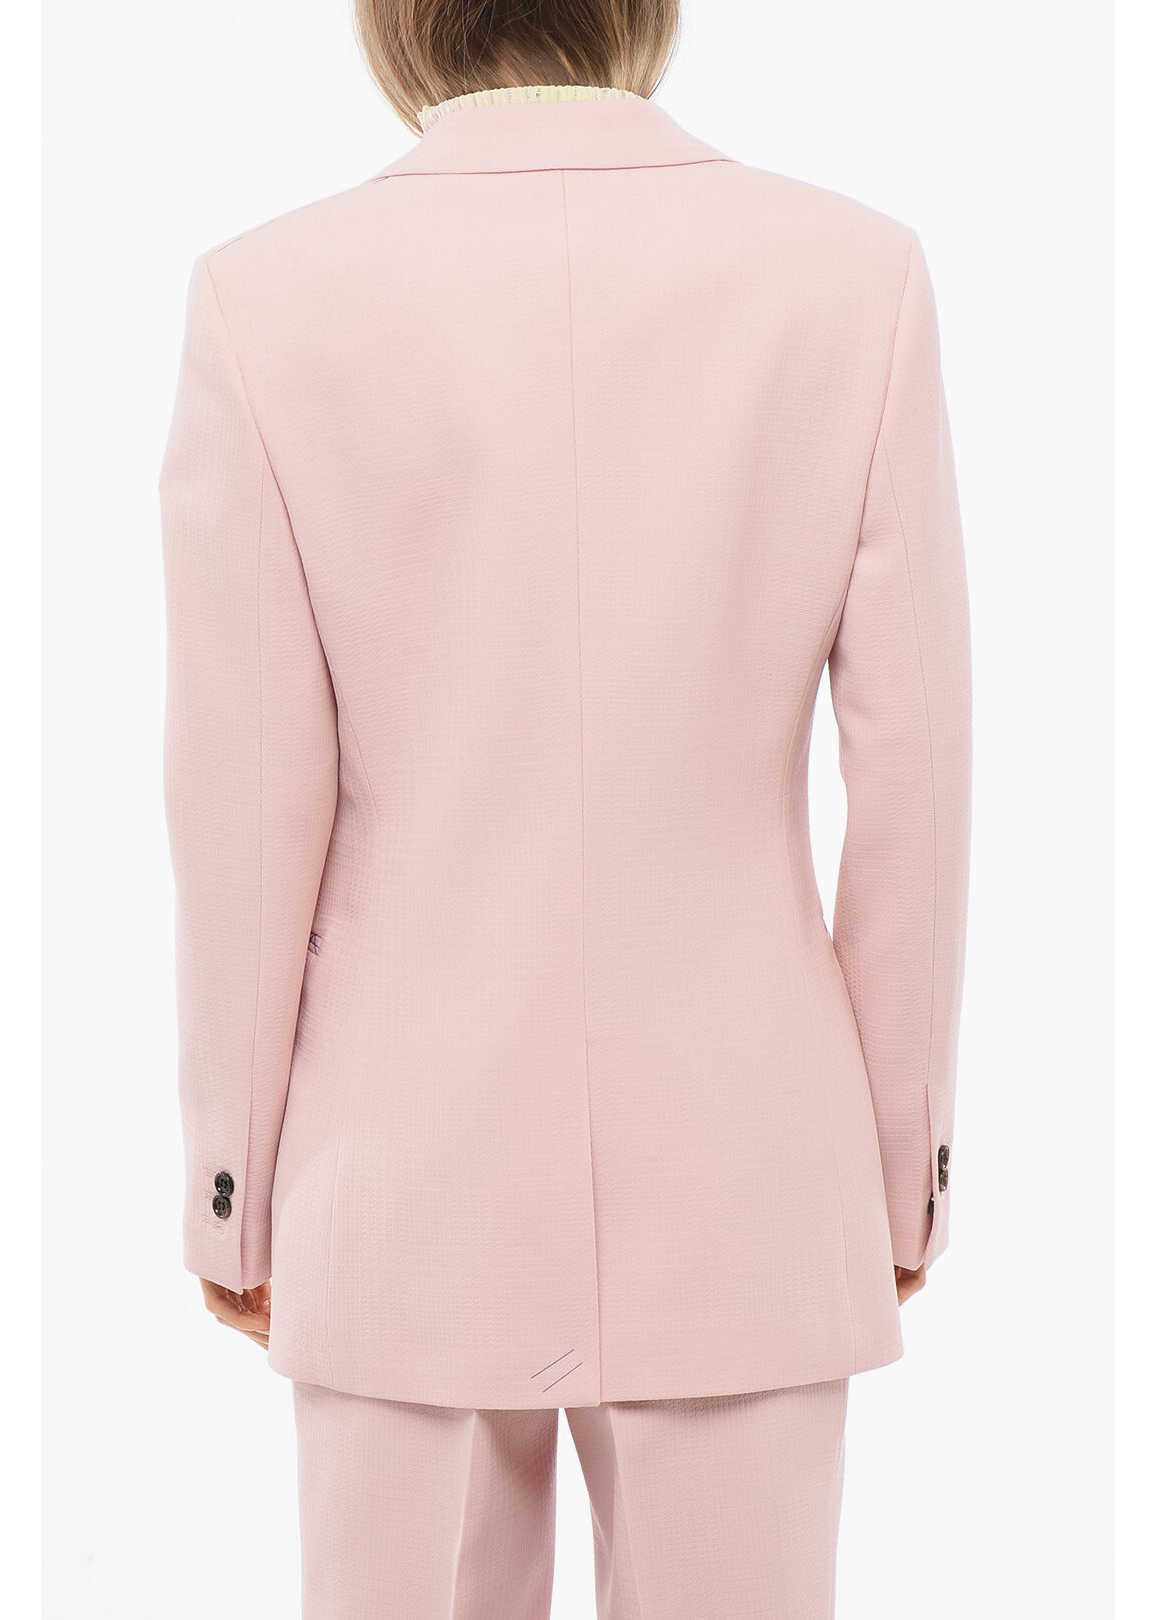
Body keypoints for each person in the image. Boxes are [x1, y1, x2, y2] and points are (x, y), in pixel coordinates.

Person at [159, 2, 971, 1615]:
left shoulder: (267, 298)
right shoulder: (850, 277)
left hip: (397, 1167)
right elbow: (915, 777)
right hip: (750, 1157)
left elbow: (242, 807)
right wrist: (900, 1168)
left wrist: (234, 1186)